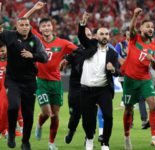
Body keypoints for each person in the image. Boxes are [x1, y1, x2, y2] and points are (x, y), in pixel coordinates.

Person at [23, 2, 77, 150]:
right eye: (43, 26)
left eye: (48, 26)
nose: (46, 28)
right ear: (40, 29)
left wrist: (67, 59)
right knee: (47, 112)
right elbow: (22, 22)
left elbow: (78, 51)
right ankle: (39, 125)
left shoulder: (63, 42)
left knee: (55, 115)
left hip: (56, 83)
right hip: (41, 82)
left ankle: (51, 142)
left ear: (52, 27)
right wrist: (34, 9)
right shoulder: (37, 39)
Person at [0, 16, 48, 150]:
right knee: (13, 107)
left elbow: (44, 57)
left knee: (28, 114)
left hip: (29, 82)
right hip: (13, 81)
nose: (25, 27)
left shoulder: (35, 40)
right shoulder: (9, 36)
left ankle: (25, 141)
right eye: (22, 25)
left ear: (30, 26)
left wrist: (32, 56)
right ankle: (10, 134)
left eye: (27, 24)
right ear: (17, 26)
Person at [78, 11, 119, 150]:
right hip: (86, 89)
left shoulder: (112, 53)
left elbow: (117, 71)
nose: (104, 36)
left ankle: (105, 142)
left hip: (103, 89)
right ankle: (89, 138)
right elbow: (81, 37)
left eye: (106, 34)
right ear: (96, 36)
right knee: (87, 120)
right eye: (101, 34)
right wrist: (83, 23)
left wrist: (113, 69)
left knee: (108, 116)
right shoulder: (90, 45)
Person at [122, 8, 155, 149]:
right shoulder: (134, 38)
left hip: (145, 78)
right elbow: (131, 28)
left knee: (153, 105)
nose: (151, 28)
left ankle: (154, 137)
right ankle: (127, 137)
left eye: (152, 27)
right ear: (141, 28)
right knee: (128, 109)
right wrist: (135, 16)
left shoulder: (153, 45)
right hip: (130, 79)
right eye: (147, 26)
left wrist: (153, 61)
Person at [62, 27, 93, 144]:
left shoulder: (96, 51)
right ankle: (71, 131)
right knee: (75, 113)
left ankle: (88, 137)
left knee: (89, 114)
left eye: (90, 34)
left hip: (90, 87)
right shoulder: (74, 51)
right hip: (76, 88)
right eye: (85, 35)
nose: (88, 37)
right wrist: (63, 62)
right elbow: (65, 60)